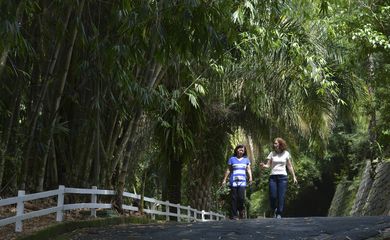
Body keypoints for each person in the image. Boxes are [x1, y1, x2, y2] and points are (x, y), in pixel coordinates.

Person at [260, 137, 297, 219]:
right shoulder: (272, 153)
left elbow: (289, 166)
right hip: (273, 177)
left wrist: (294, 177)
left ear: (280, 144)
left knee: (281, 196)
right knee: (273, 196)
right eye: (274, 143)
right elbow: (268, 165)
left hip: (283, 177)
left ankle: (279, 213)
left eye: (276, 143)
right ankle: (274, 209)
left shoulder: (286, 153)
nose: (274, 144)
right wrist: (263, 166)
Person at [222, 144, 253, 220]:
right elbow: (228, 170)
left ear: (244, 151)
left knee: (241, 198)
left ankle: (241, 210)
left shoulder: (246, 160)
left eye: (242, 150)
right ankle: (234, 215)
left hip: (242, 181)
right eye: (239, 149)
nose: (241, 151)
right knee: (234, 198)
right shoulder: (232, 159)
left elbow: (248, 169)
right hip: (233, 181)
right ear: (236, 150)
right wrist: (224, 179)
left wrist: (250, 177)